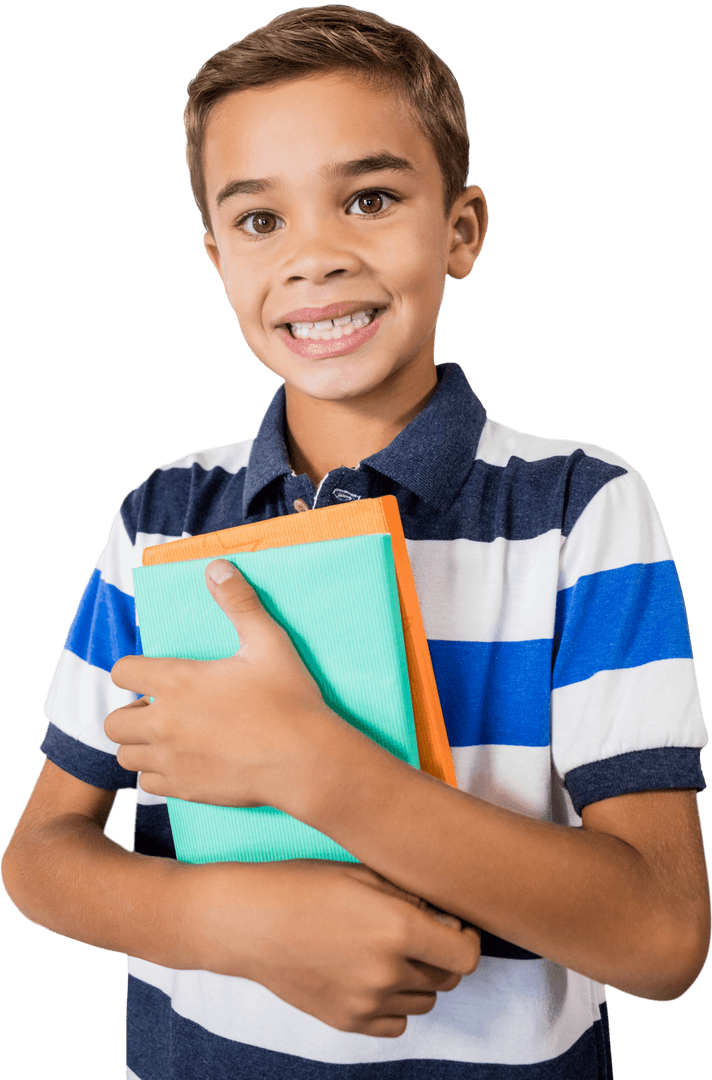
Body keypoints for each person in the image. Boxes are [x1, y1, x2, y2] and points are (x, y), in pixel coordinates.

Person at [2, 6, 709, 1078]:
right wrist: (235, 922)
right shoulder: (160, 513)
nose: (315, 258)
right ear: (215, 260)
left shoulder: (580, 509)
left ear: (460, 230)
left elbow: (659, 940)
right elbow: (41, 856)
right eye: (258, 222)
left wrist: (318, 771)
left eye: (369, 199)